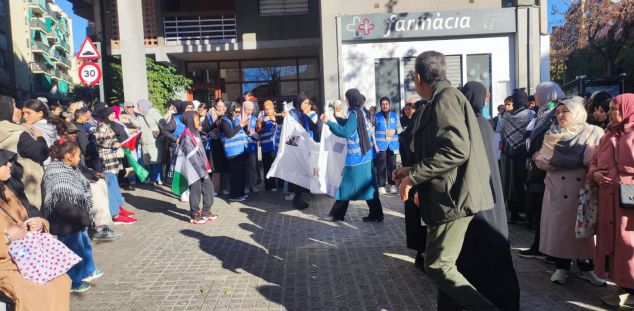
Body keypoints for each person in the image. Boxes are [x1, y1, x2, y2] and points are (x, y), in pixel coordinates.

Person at [392, 51, 497, 310]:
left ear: (418, 77)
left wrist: (414, 177)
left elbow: (456, 150)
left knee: (438, 266)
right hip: (450, 195)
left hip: (452, 198)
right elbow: (442, 150)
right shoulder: (445, 98)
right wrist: (410, 169)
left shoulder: (445, 99)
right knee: (444, 266)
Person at [455, 81, 519, 311]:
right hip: (492, 194)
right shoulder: (485, 123)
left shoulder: (468, 123)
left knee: (477, 247)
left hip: (477, 196)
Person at [534, 96, 606, 286]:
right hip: (558, 190)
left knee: (584, 231)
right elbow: (541, 161)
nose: (560, 115)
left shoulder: (593, 132)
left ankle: (587, 268)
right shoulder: (552, 133)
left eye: (565, 110)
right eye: (557, 112)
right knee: (561, 231)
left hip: (583, 189)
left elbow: (596, 161)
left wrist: (555, 162)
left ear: (577, 112)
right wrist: (557, 162)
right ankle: (561, 267)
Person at [0, 149, 71, 310]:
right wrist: (7, 238)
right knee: (35, 292)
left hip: (29, 257)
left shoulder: (10, 188)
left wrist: (40, 222)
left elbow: (35, 214)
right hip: (6, 266)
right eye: (4, 163)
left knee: (61, 280)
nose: (10, 164)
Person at [588, 94, 634, 307]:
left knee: (628, 245)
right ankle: (623, 287)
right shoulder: (607, 136)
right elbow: (594, 163)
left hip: (629, 204)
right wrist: (596, 175)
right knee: (614, 245)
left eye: (614, 108)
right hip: (609, 203)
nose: (609, 113)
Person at [42, 140, 104, 292]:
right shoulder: (57, 174)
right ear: (69, 156)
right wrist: (83, 217)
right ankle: (74, 282)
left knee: (84, 246)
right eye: (78, 155)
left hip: (77, 218)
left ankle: (88, 271)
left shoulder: (70, 168)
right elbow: (63, 205)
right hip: (66, 222)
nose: (79, 158)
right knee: (72, 252)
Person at [518, 81, 565, 259]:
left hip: (546, 169)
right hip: (536, 168)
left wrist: (539, 153)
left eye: (537, 93)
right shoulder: (542, 112)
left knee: (545, 211)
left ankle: (548, 250)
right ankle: (540, 246)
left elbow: (554, 138)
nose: (535, 96)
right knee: (539, 210)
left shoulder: (554, 113)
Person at [322, 88, 383, 222]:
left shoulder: (354, 114)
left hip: (356, 160)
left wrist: (329, 123)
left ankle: (336, 215)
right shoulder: (358, 112)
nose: (345, 101)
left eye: (346, 98)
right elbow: (349, 125)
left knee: (346, 187)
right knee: (369, 188)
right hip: (365, 158)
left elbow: (346, 131)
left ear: (351, 99)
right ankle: (377, 214)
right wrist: (336, 118)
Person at [0, 96, 48, 209]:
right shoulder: (19, 134)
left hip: (8, 194)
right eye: (14, 106)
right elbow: (42, 153)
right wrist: (40, 137)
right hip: (26, 193)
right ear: (6, 109)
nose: (19, 110)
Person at [94, 107, 137, 225]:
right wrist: (114, 144)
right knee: (111, 182)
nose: (113, 116)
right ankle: (115, 213)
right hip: (106, 158)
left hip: (112, 157)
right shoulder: (101, 126)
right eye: (111, 114)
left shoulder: (108, 124)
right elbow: (99, 141)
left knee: (114, 182)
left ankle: (118, 208)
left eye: (114, 114)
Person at [501, 89, 535, 223]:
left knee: (510, 182)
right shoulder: (531, 114)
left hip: (509, 151)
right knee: (522, 181)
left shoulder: (506, 116)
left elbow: (500, 129)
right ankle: (526, 212)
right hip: (523, 151)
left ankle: (513, 213)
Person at [179, 111, 218, 224]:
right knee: (195, 190)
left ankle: (206, 211)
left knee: (208, 187)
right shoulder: (186, 135)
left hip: (201, 167)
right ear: (190, 120)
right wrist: (200, 170)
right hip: (193, 168)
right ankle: (195, 214)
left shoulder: (195, 132)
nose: (199, 121)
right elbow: (191, 155)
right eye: (196, 119)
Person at [288, 92, 322, 209]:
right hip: (297, 148)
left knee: (304, 174)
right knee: (299, 174)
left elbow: (314, 128)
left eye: (308, 103)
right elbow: (291, 131)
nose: (307, 105)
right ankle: (297, 200)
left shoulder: (304, 114)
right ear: (299, 103)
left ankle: (299, 198)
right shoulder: (293, 113)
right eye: (305, 102)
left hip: (305, 147)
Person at [127, 99, 165, 186]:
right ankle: (152, 179)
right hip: (144, 142)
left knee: (155, 161)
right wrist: (130, 119)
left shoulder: (154, 113)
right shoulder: (140, 115)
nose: (138, 108)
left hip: (154, 141)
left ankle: (156, 179)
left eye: (139, 106)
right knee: (148, 162)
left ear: (144, 106)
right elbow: (138, 125)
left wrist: (162, 134)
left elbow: (163, 123)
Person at [220, 102, 249, 202]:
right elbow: (229, 134)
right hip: (232, 152)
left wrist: (245, 126)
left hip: (241, 150)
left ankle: (240, 193)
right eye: (236, 111)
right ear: (231, 110)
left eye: (239, 111)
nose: (237, 113)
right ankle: (234, 195)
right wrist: (241, 125)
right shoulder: (224, 120)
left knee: (241, 174)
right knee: (236, 175)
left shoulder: (235, 119)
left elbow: (241, 133)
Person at [204, 99, 230, 195]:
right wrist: (215, 124)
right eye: (218, 106)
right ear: (215, 106)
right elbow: (205, 128)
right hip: (214, 142)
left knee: (226, 166)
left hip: (225, 142)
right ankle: (215, 188)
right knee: (215, 167)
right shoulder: (209, 114)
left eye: (221, 106)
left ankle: (225, 188)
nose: (220, 108)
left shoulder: (227, 115)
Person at [257, 100, 283, 191]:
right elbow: (258, 129)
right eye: (266, 109)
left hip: (277, 147)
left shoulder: (278, 117)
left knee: (279, 166)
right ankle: (270, 186)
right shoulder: (261, 118)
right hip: (266, 148)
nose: (267, 111)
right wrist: (264, 121)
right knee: (268, 167)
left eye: (269, 109)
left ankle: (281, 185)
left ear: (273, 109)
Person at [242, 101, 259, 194]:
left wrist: (256, 134)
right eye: (248, 110)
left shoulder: (255, 119)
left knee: (252, 166)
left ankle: (253, 185)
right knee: (244, 167)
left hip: (252, 146)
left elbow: (259, 132)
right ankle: (245, 186)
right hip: (241, 147)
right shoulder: (239, 118)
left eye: (251, 110)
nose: (250, 112)